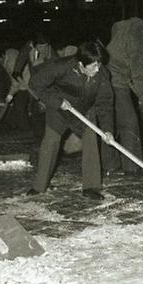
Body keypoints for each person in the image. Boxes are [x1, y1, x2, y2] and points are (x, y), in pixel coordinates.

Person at [25, 42, 114, 199]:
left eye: (98, 65)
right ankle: (39, 186)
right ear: (81, 64)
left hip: (85, 110)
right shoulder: (61, 66)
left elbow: (105, 103)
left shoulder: (102, 74)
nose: (97, 70)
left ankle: (91, 187)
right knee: (50, 142)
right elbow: (35, 84)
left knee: (91, 140)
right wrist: (56, 102)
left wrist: (107, 130)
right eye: (93, 66)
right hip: (59, 108)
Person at [102, 9, 143, 176]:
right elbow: (138, 77)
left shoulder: (130, 22)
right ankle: (132, 168)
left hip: (103, 75)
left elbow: (115, 27)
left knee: (112, 123)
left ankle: (110, 164)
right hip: (117, 82)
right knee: (130, 123)